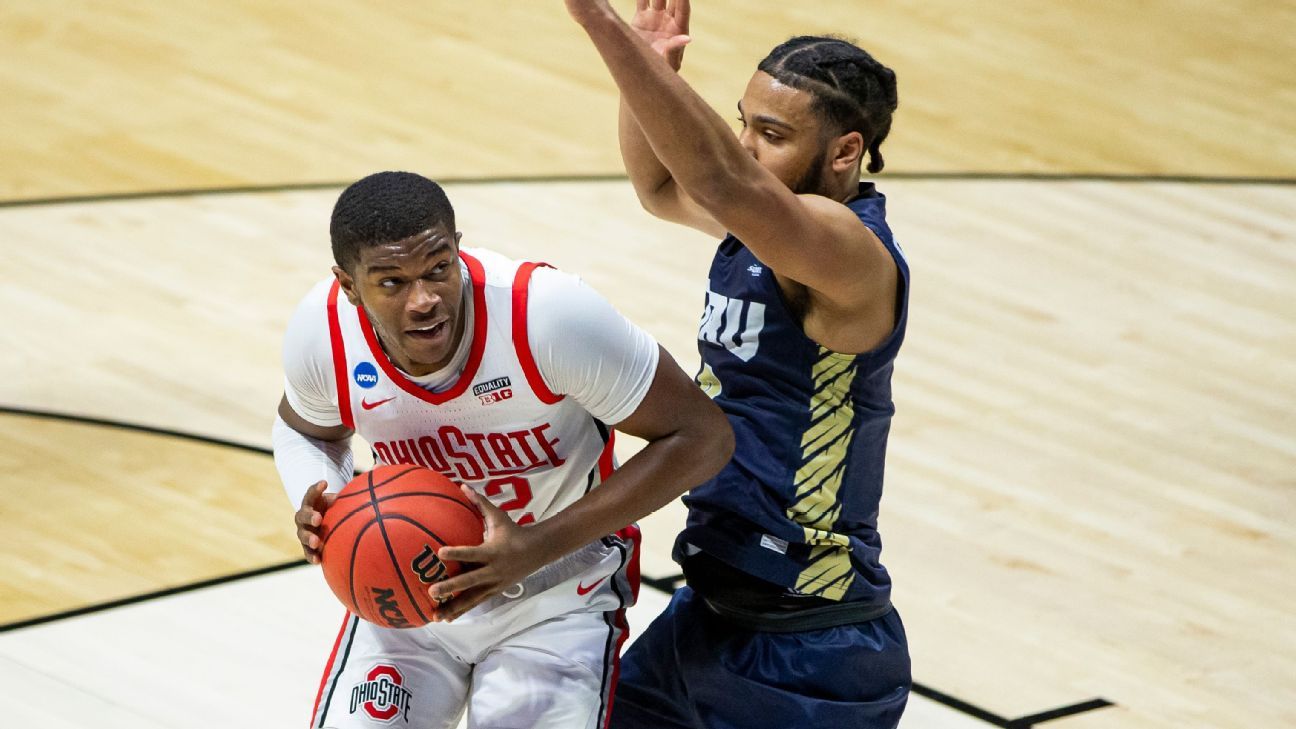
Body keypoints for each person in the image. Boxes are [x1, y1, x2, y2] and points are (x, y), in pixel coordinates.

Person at [271, 170, 733, 729]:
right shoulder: (323, 331)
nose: (424, 299)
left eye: (439, 269)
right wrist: (325, 506)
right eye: (391, 282)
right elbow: (305, 430)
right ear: (348, 285)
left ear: (458, 251)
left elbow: (702, 436)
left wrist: (534, 548)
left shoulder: (547, 317)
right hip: (409, 592)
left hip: (556, 591)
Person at [565, 1, 912, 726]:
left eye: (774, 134)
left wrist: (601, 26)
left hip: (813, 649)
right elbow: (663, 186)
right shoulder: (767, 226)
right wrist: (652, 74)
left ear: (845, 151)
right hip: (707, 618)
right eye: (744, 122)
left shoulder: (849, 254)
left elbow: (724, 182)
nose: (748, 146)